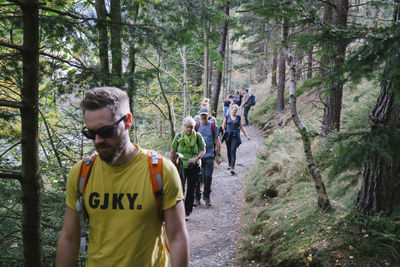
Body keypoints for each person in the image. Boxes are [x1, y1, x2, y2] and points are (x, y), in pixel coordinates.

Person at [56, 87, 189, 267]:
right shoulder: (81, 174)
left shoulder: (161, 171)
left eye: (105, 132)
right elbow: (69, 238)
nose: (97, 141)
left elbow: (178, 237)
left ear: (128, 122)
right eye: (91, 133)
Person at [170, 117, 205, 220]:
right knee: (180, 188)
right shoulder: (179, 137)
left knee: (191, 189)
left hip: (194, 166)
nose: (189, 129)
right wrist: (170, 165)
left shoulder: (198, 136)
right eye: (187, 127)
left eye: (191, 127)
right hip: (180, 166)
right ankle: (179, 212)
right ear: (184, 126)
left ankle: (186, 212)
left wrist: (196, 158)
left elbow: (203, 150)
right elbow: (172, 152)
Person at [194, 106, 221, 207]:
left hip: (210, 155)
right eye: (202, 114)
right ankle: (197, 197)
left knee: (208, 177)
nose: (204, 116)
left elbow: (217, 141)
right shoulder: (196, 126)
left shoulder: (213, 126)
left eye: (205, 114)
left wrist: (219, 155)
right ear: (200, 115)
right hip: (198, 156)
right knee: (197, 178)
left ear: (208, 115)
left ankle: (207, 196)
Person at [221, 104, 251, 175]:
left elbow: (242, 128)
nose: (235, 112)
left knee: (233, 150)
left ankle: (232, 167)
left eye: (236, 110)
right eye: (234, 110)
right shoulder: (227, 116)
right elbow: (223, 125)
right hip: (228, 135)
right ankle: (229, 164)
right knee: (228, 150)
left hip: (235, 136)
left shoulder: (238, 118)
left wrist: (246, 136)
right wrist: (221, 131)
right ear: (231, 109)